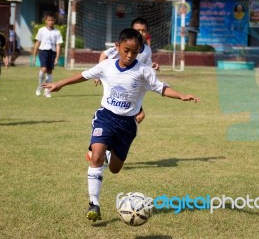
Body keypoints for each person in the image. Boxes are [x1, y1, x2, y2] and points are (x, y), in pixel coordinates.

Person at [42, 28, 201, 222]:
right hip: (105, 117)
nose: (129, 55)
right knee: (96, 157)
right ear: (117, 46)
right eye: (126, 50)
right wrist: (60, 83)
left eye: (135, 52)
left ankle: (109, 154)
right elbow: (84, 75)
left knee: (115, 169)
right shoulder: (106, 65)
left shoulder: (143, 71)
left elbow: (161, 87)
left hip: (127, 124)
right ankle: (94, 204)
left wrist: (181, 95)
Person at [96, 17, 159, 124]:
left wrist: (153, 67)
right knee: (134, 113)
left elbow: (147, 67)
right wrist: (99, 74)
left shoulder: (147, 50)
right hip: (118, 81)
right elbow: (104, 55)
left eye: (144, 31)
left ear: (147, 32)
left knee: (136, 114)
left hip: (132, 84)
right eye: (138, 30)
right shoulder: (123, 45)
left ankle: (118, 129)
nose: (141, 33)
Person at [32, 14, 63, 98]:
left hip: (52, 52)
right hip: (43, 51)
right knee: (44, 69)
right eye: (49, 20)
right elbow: (37, 42)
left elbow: (58, 45)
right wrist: (34, 56)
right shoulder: (41, 30)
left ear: (54, 21)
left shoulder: (57, 32)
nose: (50, 22)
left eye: (52, 20)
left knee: (49, 71)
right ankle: (40, 86)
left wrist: (57, 57)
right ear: (45, 21)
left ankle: (47, 91)